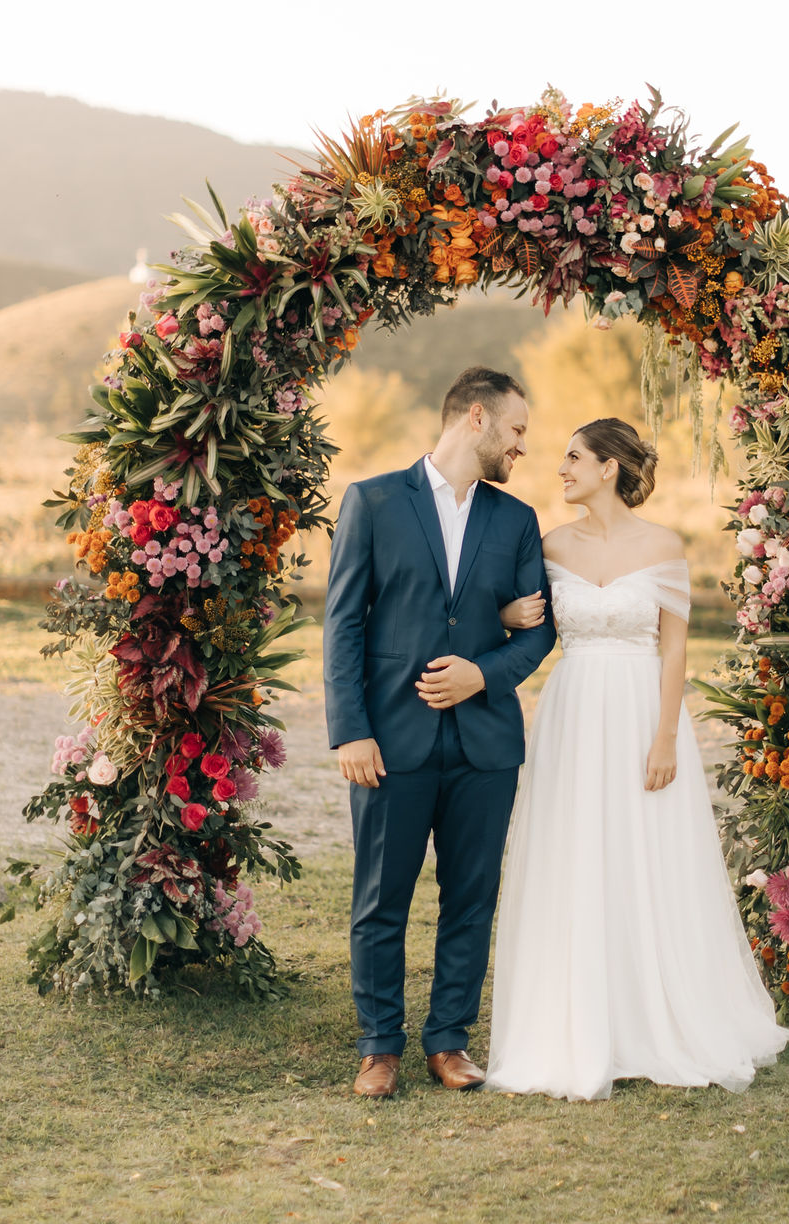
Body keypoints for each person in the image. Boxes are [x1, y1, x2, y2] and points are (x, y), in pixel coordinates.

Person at [484, 417, 789, 1101]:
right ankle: (578, 1019)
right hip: (572, 711)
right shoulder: (551, 543)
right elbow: (523, 614)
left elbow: (675, 647)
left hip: (640, 711)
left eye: (573, 458)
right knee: (576, 853)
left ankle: (657, 1015)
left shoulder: (662, 544)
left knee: (644, 853)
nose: (560, 469)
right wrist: (508, 616)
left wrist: (663, 736)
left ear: (609, 468)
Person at [324, 367, 556, 1098]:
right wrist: (350, 732)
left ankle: (449, 1041)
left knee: (471, 897)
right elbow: (342, 626)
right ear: (478, 420)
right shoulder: (373, 501)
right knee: (380, 898)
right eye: (517, 430)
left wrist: (482, 674)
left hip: (485, 744)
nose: (524, 447)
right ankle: (378, 1047)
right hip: (390, 739)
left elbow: (537, 633)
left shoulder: (517, 521)